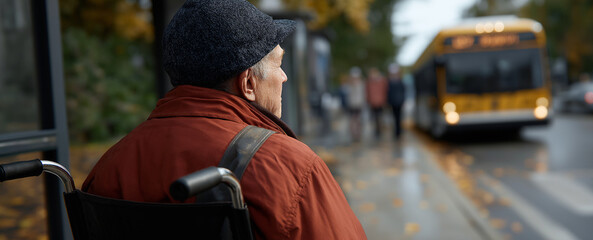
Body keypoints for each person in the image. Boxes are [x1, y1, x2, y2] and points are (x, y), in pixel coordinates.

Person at [81, 0, 367, 239]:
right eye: (278, 65)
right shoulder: (288, 167)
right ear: (248, 84)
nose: (284, 77)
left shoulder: (108, 167)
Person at [365, 67, 388, 138]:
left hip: (380, 103)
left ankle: (379, 130)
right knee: (374, 118)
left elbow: (385, 91)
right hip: (372, 103)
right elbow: (367, 92)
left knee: (379, 117)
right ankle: (376, 130)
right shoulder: (369, 82)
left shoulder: (382, 81)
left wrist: (384, 100)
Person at [345, 67, 365, 141]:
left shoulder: (361, 84)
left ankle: (358, 134)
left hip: (359, 105)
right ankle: (353, 135)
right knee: (352, 121)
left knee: (358, 120)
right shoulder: (349, 85)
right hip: (351, 105)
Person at [387, 63, 406, 138]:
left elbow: (403, 92)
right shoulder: (390, 82)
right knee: (395, 118)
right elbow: (388, 93)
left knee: (399, 117)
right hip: (393, 103)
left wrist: (403, 101)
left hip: (399, 102)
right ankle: (396, 132)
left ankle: (399, 132)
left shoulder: (400, 82)